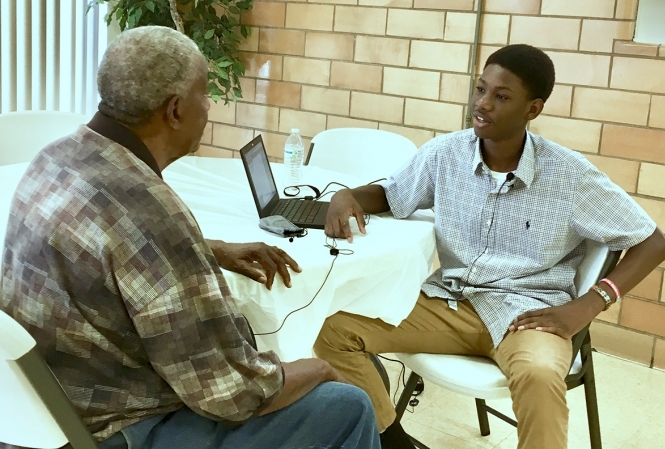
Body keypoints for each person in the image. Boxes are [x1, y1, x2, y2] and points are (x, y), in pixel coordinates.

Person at [0, 26, 380, 449]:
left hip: (42, 414)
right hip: (115, 430)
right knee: (348, 405)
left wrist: (208, 250)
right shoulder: (151, 211)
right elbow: (231, 396)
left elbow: (103, 247)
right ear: (176, 110)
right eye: (205, 93)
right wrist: (320, 369)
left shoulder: (54, 158)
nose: (210, 106)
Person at [315, 44, 665, 449]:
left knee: (538, 375)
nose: (482, 104)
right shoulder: (444, 153)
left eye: (501, 97)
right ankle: (392, 441)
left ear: (532, 109)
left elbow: (653, 243)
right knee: (331, 330)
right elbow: (392, 194)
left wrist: (587, 305)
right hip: (449, 303)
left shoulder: (570, 175)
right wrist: (349, 195)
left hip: (528, 314)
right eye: (480, 89)